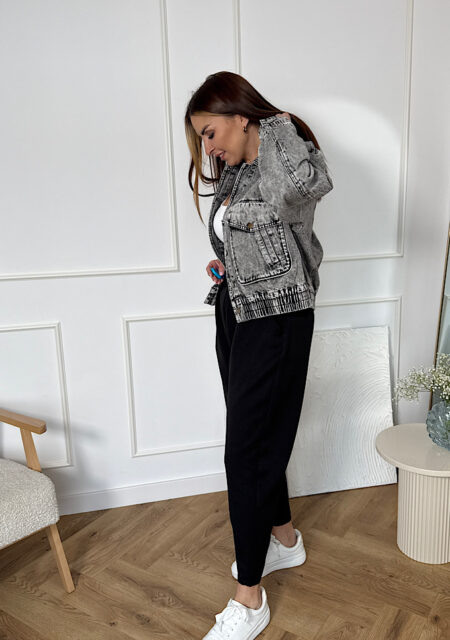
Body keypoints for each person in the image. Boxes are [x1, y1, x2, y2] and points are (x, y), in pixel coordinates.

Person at [185, 71, 334, 640]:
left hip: (277, 319)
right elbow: (251, 236)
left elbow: (300, 193)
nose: (208, 147)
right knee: (256, 439)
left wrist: (275, 127)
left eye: (210, 132)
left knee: (246, 452)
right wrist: (229, 264)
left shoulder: (283, 150)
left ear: (242, 116)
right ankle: (284, 540)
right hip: (236, 311)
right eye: (201, 138)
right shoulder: (238, 171)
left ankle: (249, 599)